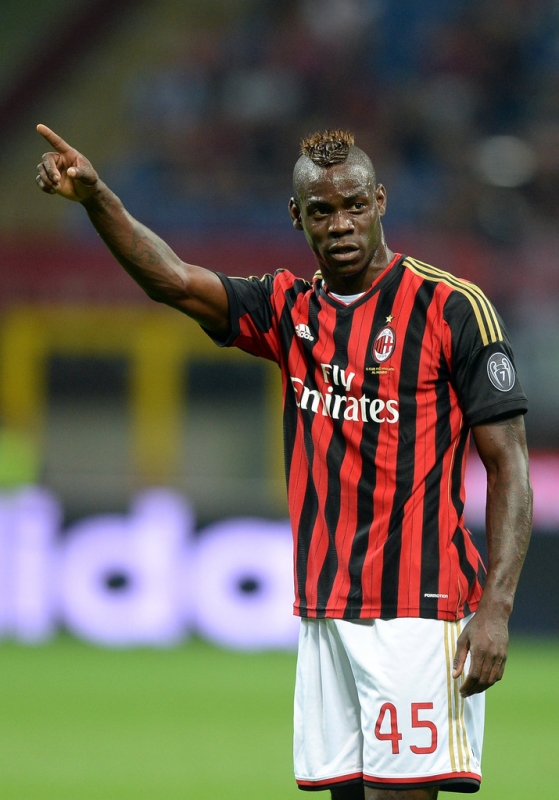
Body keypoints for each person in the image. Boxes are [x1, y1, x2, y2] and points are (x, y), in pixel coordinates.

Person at [36, 125, 532, 799]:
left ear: (380, 201)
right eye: (322, 211)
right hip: (325, 609)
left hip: (419, 609)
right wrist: (97, 198)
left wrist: (496, 608)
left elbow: (509, 466)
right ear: (297, 217)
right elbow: (173, 281)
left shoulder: (452, 308)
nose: (341, 224)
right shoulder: (287, 309)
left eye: (354, 205)